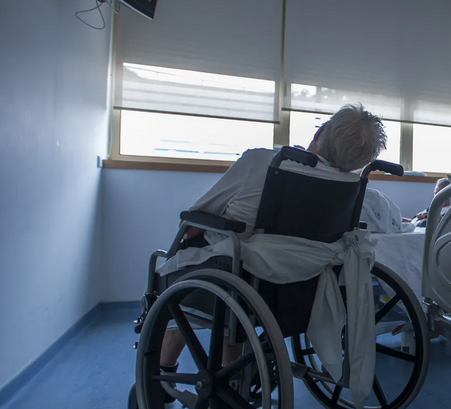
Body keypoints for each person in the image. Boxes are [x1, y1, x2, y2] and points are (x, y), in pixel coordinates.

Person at [158, 104, 387, 370]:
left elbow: (193, 221)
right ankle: (233, 370)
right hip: (305, 278)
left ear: (321, 131)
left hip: (242, 275)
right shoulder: (352, 185)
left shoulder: (263, 161)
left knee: (198, 253)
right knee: (235, 259)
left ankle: (165, 367)